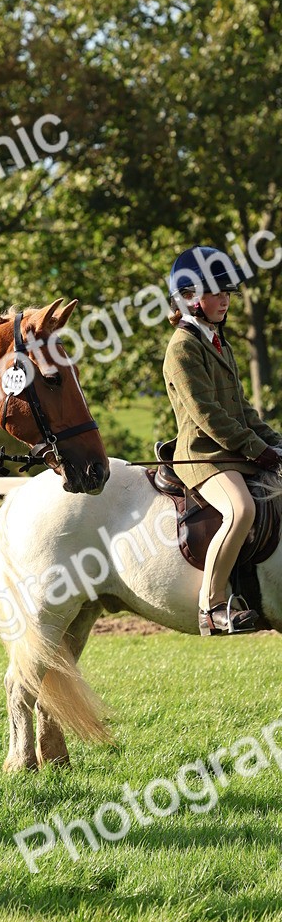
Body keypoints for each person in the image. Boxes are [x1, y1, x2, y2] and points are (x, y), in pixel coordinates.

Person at [163, 245, 282, 636]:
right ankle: (211, 606)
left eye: (227, 292)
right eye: (216, 293)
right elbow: (208, 416)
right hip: (204, 456)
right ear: (190, 298)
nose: (225, 300)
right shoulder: (182, 348)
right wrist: (257, 450)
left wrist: (275, 443)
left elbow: (243, 410)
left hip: (232, 451)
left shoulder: (220, 344)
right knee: (241, 510)